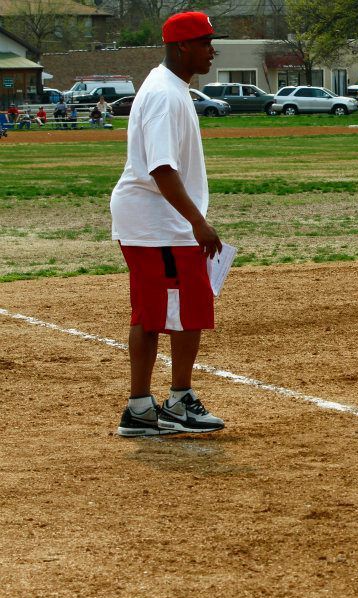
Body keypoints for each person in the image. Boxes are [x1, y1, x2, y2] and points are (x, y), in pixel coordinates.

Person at [111, 11, 227, 437]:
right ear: (182, 47)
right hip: (161, 224)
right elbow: (161, 168)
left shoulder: (170, 88)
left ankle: (142, 407)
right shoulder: (165, 94)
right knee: (182, 312)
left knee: (153, 312)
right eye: (205, 42)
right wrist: (198, 222)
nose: (212, 49)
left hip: (156, 223)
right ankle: (176, 402)